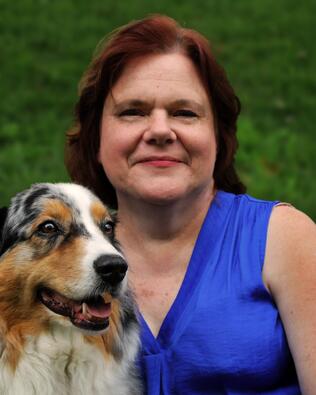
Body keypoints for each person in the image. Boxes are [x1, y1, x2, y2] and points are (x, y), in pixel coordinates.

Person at [65, 14, 316, 394]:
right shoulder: (53, 264)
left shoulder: (284, 239)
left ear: (218, 136)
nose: (161, 131)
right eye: (133, 111)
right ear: (96, 139)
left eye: (185, 112)